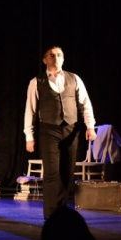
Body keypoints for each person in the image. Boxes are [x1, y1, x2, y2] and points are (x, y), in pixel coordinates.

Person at [24, 46, 96, 219]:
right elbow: (30, 110)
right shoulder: (36, 82)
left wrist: (90, 126)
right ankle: (50, 214)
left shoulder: (74, 78)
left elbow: (85, 103)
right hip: (49, 130)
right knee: (51, 173)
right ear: (45, 60)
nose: (55, 58)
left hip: (70, 129)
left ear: (63, 58)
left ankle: (61, 212)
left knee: (67, 172)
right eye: (51, 55)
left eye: (58, 55)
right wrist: (29, 136)